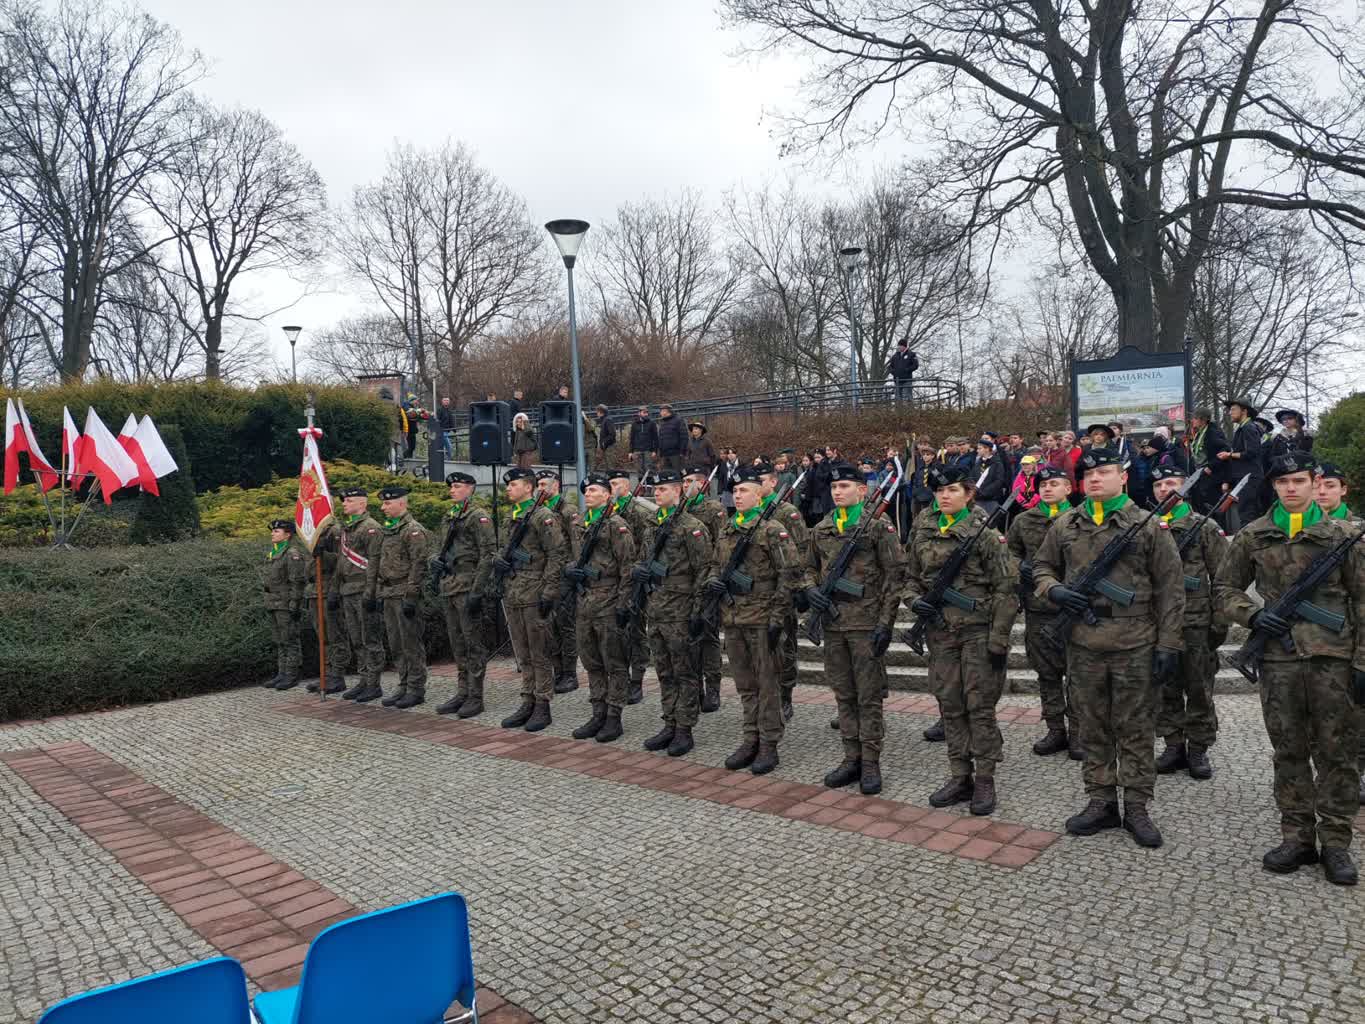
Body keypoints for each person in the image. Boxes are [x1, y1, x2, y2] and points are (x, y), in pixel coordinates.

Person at [1214, 451, 1364, 884]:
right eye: (1283, 482)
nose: (1291, 488)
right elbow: (1224, 588)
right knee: (1289, 751)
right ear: (1274, 487)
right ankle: (1297, 837)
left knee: (1337, 754)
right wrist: (1254, 616)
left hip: (1333, 662)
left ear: (1315, 483)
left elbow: (1363, 600)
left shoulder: (1344, 535)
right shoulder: (1254, 534)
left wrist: (1362, 662)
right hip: (1278, 660)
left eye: (1299, 480)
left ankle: (1335, 844)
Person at [1032, 447, 1185, 848]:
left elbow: (1171, 589)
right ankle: (1100, 800)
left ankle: (1136, 806)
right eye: (1088, 475)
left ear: (1123, 477)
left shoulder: (1147, 525)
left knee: (1135, 728)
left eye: (1104, 472)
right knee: (1092, 726)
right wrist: (1055, 590)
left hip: (1135, 642)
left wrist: (1169, 643)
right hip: (1083, 642)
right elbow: (1041, 567)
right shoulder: (1066, 524)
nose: (1095, 479)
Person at [903, 464, 1017, 814]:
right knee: (950, 705)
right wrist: (915, 601)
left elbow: (1007, 590)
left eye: (952, 490)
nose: (944, 496)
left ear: (969, 494)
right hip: (940, 632)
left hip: (977, 632)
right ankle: (959, 775)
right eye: (939, 491)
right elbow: (909, 578)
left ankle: (985, 779)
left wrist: (998, 641)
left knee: (979, 707)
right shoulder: (923, 531)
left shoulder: (984, 534)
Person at [802, 462, 905, 795]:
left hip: (865, 623)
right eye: (834, 487)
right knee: (844, 694)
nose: (837, 491)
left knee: (868, 696)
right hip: (833, 625)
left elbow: (895, 577)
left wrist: (886, 623)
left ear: (862, 490)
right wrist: (811, 590)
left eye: (845, 486)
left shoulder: (877, 526)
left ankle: (871, 761)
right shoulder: (822, 528)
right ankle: (851, 757)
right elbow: (807, 568)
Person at [704, 465, 805, 775]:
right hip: (733, 616)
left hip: (762, 618)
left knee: (767, 684)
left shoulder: (772, 530)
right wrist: (713, 581)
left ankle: (769, 743)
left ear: (759, 495)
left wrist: (777, 617)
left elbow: (790, 575)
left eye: (744, 490)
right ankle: (750, 738)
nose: (737, 495)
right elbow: (714, 564)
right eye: (735, 491)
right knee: (746, 685)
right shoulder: (728, 529)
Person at [1146, 465, 1229, 781]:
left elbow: (1224, 579)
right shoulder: (1146, 526)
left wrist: (1218, 623)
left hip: (1195, 622)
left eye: (1170, 483)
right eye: (1158, 484)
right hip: (1155, 621)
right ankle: (1173, 744)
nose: (1163, 489)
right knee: (1163, 688)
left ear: (1185, 487)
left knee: (1198, 689)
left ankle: (1198, 748)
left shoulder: (1204, 526)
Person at [636, 469, 712, 756]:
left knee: (685, 672)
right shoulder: (651, 525)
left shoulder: (692, 526)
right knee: (664, 671)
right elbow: (643, 559)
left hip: (681, 610)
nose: (657, 493)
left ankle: (684, 728)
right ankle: (669, 722)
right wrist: (639, 572)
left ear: (678, 490)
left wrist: (697, 611)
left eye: (663, 489)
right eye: (655, 490)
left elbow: (704, 570)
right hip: (656, 608)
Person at [1007, 467, 1078, 758]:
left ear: (1068, 488)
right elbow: (1009, 553)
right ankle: (1055, 729)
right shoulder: (1024, 520)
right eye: (1043, 485)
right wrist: (1020, 568)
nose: (1047, 489)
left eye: (1054, 483)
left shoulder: (1080, 519)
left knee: (1078, 675)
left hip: (1074, 610)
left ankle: (1079, 731)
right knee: (1047, 673)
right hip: (1039, 608)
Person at [563, 472, 636, 743]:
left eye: (594, 490)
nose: (588, 494)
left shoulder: (616, 524)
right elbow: (570, 556)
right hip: (584, 600)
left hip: (608, 601)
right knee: (591, 661)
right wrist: (571, 570)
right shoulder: (579, 523)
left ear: (607, 495)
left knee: (614, 662)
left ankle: (614, 716)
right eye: (587, 490)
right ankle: (598, 712)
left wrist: (624, 604)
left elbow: (627, 567)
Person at [496, 467, 569, 732]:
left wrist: (549, 591)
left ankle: (542, 704)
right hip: (514, 591)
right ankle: (527, 699)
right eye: (507, 485)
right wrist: (499, 561)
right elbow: (505, 549)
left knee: (539, 653)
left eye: (513, 484)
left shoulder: (542, 516)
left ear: (528, 487)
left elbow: (557, 554)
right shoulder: (512, 516)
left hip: (535, 592)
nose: (508, 488)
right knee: (523, 653)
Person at [1314, 463, 1365, 807]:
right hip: (1319, 637)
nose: (1322, 492)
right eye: (1318, 485)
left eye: (1330, 485)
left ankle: (1356, 773)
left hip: (1355, 634)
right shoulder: (1304, 530)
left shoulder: (1358, 530)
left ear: (1343, 490)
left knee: (1358, 715)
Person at [433, 472, 497, 719]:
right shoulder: (449, 516)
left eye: (458, 486)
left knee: (473, 643)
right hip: (450, 585)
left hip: (468, 585)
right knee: (457, 643)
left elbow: (488, 554)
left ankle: (475, 696)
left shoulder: (478, 516)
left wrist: (477, 591)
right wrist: (434, 561)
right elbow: (441, 549)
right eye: (451, 487)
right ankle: (462, 691)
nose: (452, 490)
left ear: (470, 489)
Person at [758, 461, 809, 723]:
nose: (756, 486)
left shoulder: (787, 512)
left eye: (761, 481)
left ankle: (786, 695)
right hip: (760, 595)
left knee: (786, 647)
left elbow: (802, 550)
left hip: (785, 590)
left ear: (773, 482)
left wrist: (799, 587)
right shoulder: (754, 512)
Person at [371, 486, 431, 709]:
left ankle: (416, 688)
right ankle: (403, 683)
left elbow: (419, 564)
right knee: (396, 644)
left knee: (411, 643)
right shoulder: (388, 530)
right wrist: (378, 591)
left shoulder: (412, 530)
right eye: (383, 503)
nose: (382, 507)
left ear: (402, 503)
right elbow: (380, 563)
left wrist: (412, 595)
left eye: (387, 503)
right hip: (389, 593)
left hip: (405, 593)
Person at [329, 488, 386, 705]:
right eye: (344, 500)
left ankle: (374, 683)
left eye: (349, 500)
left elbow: (375, 563)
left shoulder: (371, 528)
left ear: (362, 504)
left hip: (363, 589)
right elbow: (341, 563)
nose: (344, 503)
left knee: (370, 638)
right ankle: (364, 678)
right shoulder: (348, 528)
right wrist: (334, 590)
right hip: (348, 590)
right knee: (356, 638)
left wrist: (371, 592)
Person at [684, 464, 729, 712]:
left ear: (702, 484)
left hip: (708, 581)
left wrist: (714, 578)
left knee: (708, 638)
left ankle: (713, 688)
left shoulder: (713, 509)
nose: (685, 485)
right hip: (683, 586)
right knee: (689, 640)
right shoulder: (681, 508)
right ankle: (695, 688)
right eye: (683, 482)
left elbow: (722, 545)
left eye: (689, 481)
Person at [608, 469, 653, 703]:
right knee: (616, 633)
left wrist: (637, 570)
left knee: (635, 631)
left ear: (626, 486)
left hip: (634, 579)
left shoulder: (639, 511)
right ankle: (620, 679)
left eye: (616, 483)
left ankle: (637, 680)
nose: (612, 487)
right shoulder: (608, 511)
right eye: (610, 484)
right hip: (612, 580)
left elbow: (647, 546)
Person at [535, 470, 579, 695]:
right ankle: (557, 670)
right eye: (538, 484)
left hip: (563, 576)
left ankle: (570, 674)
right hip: (545, 575)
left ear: (556, 486)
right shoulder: (538, 511)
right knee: (549, 626)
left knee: (565, 626)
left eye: (544, 484)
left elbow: (576, 542)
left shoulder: (567, 510)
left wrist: (573, 568)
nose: (540, 488)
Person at [302, 518, 349, 696]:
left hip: (328, 588)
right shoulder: (312, 533)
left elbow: (341, 561)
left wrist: (323, 553)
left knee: (334, 634)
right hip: (314, 590)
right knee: (322, 636)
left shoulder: (334, 531)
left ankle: (337, 675)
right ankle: (327, 673)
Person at [262, 518, 306, 690]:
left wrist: (295, 604)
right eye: (272, 531)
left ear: (287, 535)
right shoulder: (274, 552)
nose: (272, 534)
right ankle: (282, 673)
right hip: (273, 602)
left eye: (276, 531)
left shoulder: (291, 554)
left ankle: (292, 674)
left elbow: (297, 581)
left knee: (290, 639)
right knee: (279, 640)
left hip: (286, 603)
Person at [1219, 398, 1266, 531]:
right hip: (1245, 477)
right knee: (1247, 512)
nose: (1230, 413)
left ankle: (1249, 541)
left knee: (1247, 513)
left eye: (1233, 409)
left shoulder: (1248, 428)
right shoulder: (1243, 428)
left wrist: (1229, 455)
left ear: (1244, 411)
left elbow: (1252, 452)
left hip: (1250, 478)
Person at [1185, 408, 1229, 513]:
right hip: (1200, 475)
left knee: (1210, 507)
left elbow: (1225, 449)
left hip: (1211, 478)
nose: (1192, 420)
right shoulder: (1200, 432)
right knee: (1200, 506)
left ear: (1203, 420)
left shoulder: (1212, 433)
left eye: (1195, 418)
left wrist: (1210, 466)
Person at [973, 440, 1010, 515]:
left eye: (979, 448)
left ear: (987, 449)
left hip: (991, 499)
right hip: (977, 497)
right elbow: (972, 477)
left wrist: (984, 492)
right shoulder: (978, 463)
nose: (977, 451)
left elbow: (998, 481)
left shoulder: (997, 463)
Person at [655, 403, 687, 472]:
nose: (660, 413)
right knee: (666, 474)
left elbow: (684, 436)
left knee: (678, 474)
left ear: (667, 411)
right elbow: (661, 438)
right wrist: (660, 452)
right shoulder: (662, 422)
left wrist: (682, 452)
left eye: (662, 411)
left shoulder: (678, 420)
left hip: (676, 454)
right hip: (664, 454)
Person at [628, 406, 658, 479]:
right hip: (637, 450)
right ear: (639, 413)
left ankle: (649, 485)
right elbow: (632, 438)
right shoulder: (634, 424)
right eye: (644, 412)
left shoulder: (652, 423)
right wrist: (630, 452)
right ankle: (641, 485)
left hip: (648, 450)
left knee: (649, 470)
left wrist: (655, 450)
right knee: (639, 471)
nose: (646, 414)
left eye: (647, 412)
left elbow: (656, 438)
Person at [888, 338, 918, 402]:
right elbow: (890, 366)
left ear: (904, 346)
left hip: (907, 380)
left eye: (899, 346)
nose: (898, 347)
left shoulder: (911, 354)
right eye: (898, 346)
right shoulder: (895, 356)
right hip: (897, 380)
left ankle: (909, 408)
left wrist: (907, 370)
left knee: (907, 397)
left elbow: (915, 365)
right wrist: (893, 372)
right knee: (898, 398)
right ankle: (899, 408)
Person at [592, 404, 616, 468]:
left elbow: (612, 434)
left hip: (609, 446)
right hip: (606, 446)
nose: (596, 414)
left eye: (597, 412)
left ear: (601, 412)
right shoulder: (604, 420)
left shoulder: (607, 420)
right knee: (608, 464)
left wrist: (604, 442)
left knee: (610, 465)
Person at [719, 445, 742, 512]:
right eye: (729, 453)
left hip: (737, 490)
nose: (731, 455)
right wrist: (720, 491)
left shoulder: (741, 464)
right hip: (726, 491)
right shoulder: (724, 464)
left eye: (733, 453)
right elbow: (721, 479)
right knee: (726, 511)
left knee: (737, 510)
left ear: (736, 454)